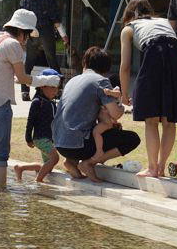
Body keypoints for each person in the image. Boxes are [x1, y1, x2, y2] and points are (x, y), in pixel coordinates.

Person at [0, 8, 60, 189]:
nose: (26, 40)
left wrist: (3, 74)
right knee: (0, 153)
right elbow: (23, 79)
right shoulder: (13, 45)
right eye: (27, 35)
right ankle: (0, 192)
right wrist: (46, 80)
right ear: (22, 31)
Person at [120, 0, 177, 178]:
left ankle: (153, 168)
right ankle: (161, 167)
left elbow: (124, 67)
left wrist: (124, 95)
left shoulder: (129, 28)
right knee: (169, 121)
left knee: (151, 119)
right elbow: (170, 43)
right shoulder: (164, 21)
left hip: (155, 56)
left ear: (129, 14)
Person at [53, 47, 140, 182]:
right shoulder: (100, 81)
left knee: (94, 129)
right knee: (132, 139)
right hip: (78, 146)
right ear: (106, 68)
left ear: (85, 63)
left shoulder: (72, 80)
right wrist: (122, 105)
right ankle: (90, 162)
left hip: (59, 143)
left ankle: (71, 162)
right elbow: (116, 114)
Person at [19, 0, 69, 101]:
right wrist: (63, 35)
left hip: (31, 32)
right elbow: (55, 19)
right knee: (52, 60)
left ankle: (24, 92)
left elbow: (22, 17)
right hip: (46, 31)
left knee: (29, 62)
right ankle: (58, 89)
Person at [14, 69, 61, 183]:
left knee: (47, 167)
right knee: (55, 158)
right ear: (42, 86)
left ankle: (20, 168)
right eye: (53, 88)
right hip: (41, 138)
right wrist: (28, 138)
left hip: (49, 139)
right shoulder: (37, 102)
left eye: (57, 88)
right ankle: (38, 181)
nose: (56, 91)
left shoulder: (51, 103)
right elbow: (30, 121)